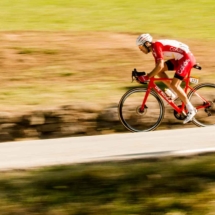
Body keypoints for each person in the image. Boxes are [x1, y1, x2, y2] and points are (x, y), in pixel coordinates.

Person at [136, 33, 197, 124]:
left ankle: (191, 110)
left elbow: (159, 65)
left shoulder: (156, 46)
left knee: (175, 85)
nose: (140, 50)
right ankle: (174, 92)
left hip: (186, 58)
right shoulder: (154, 50)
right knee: (159, 72)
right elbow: (158, 68)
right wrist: (146, 75)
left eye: (141, 47)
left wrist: (147, 77)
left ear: (147, 43)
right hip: (180, 59)